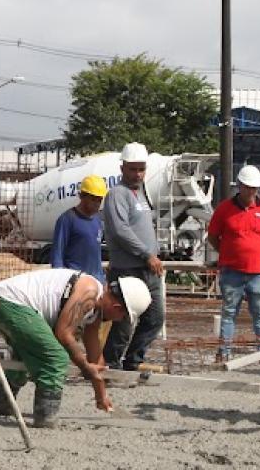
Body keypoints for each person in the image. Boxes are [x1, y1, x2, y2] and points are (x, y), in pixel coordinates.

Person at [0, 270, 151, 427]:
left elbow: (95, 356)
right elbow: (63, 334)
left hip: (3, 300)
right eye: (123, 317)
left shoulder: (95, 309)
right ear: (117, 307)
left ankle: (3, 407)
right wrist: (84, 366)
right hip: (9, 302)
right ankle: (45, 418)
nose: (119, 320)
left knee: (25, 356)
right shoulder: (89, 294)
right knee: (56, 358)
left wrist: (101, 395)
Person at [101, 143, 165, 371]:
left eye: (141, 169)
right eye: (133, 169)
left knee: (155, 317)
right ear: (122, 168)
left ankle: (133, 361)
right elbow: (120, 230)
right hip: (129, 268)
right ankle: (110, 362)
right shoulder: (118, 194)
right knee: (123, 320)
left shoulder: (141, 194)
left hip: (148, 269)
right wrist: (146, 253)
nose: (138, 174)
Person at [207, 165, 260, 362]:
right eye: (247, 187)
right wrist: (228, 252)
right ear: (239, 186)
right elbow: (212, 235)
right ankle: (224, 352)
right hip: (232, 271)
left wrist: (256, 251)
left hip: (258, 271)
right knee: (229, 312)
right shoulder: (224, 209)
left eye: (254, 188)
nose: (251, 191)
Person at [49, 175, 107, 283]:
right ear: (82, 196)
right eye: (93, 199)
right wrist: (60, 283)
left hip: (96, 281)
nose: (97, 204)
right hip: (75, 282)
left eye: (99, 200)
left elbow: (96, 255)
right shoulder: (67, 219)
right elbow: (57, 255)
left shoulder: (98, 221)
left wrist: (102, 280)